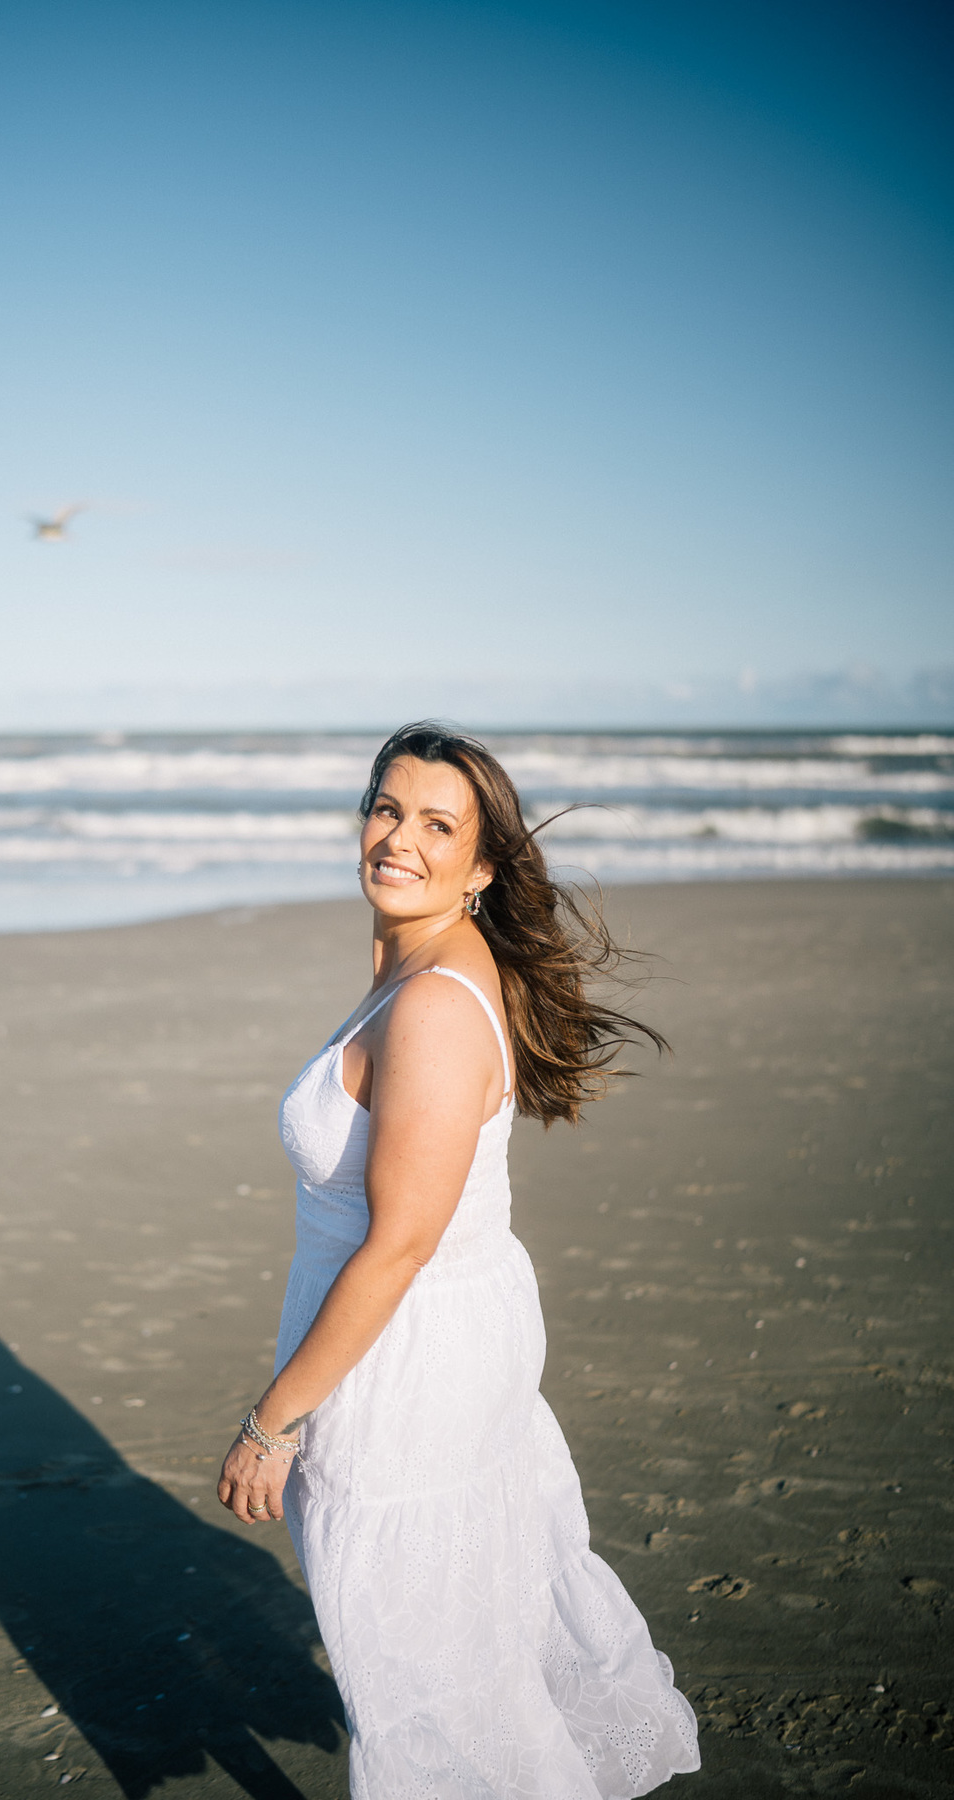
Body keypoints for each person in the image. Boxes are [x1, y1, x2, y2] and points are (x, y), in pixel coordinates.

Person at [217, 723, 700, 1798]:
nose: (398, 838)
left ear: (481, 867)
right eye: (387, 809)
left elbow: (399, 1244)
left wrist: (272, 1422)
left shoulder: (434, 1003)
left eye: (438, 825)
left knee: (428, 1685)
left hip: (408, 1360)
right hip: (441, 1330)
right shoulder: (429, 963)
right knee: (462, 1649)